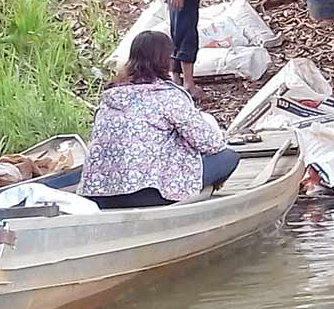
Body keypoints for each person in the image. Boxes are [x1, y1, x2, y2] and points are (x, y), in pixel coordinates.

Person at [80, 31, 241, 208]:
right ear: (165, 60)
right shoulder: (167, 95)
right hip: (149, 192)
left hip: (98, 194)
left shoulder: (110, 96)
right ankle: (191, 197)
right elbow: (209, 143)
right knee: (228, 157)